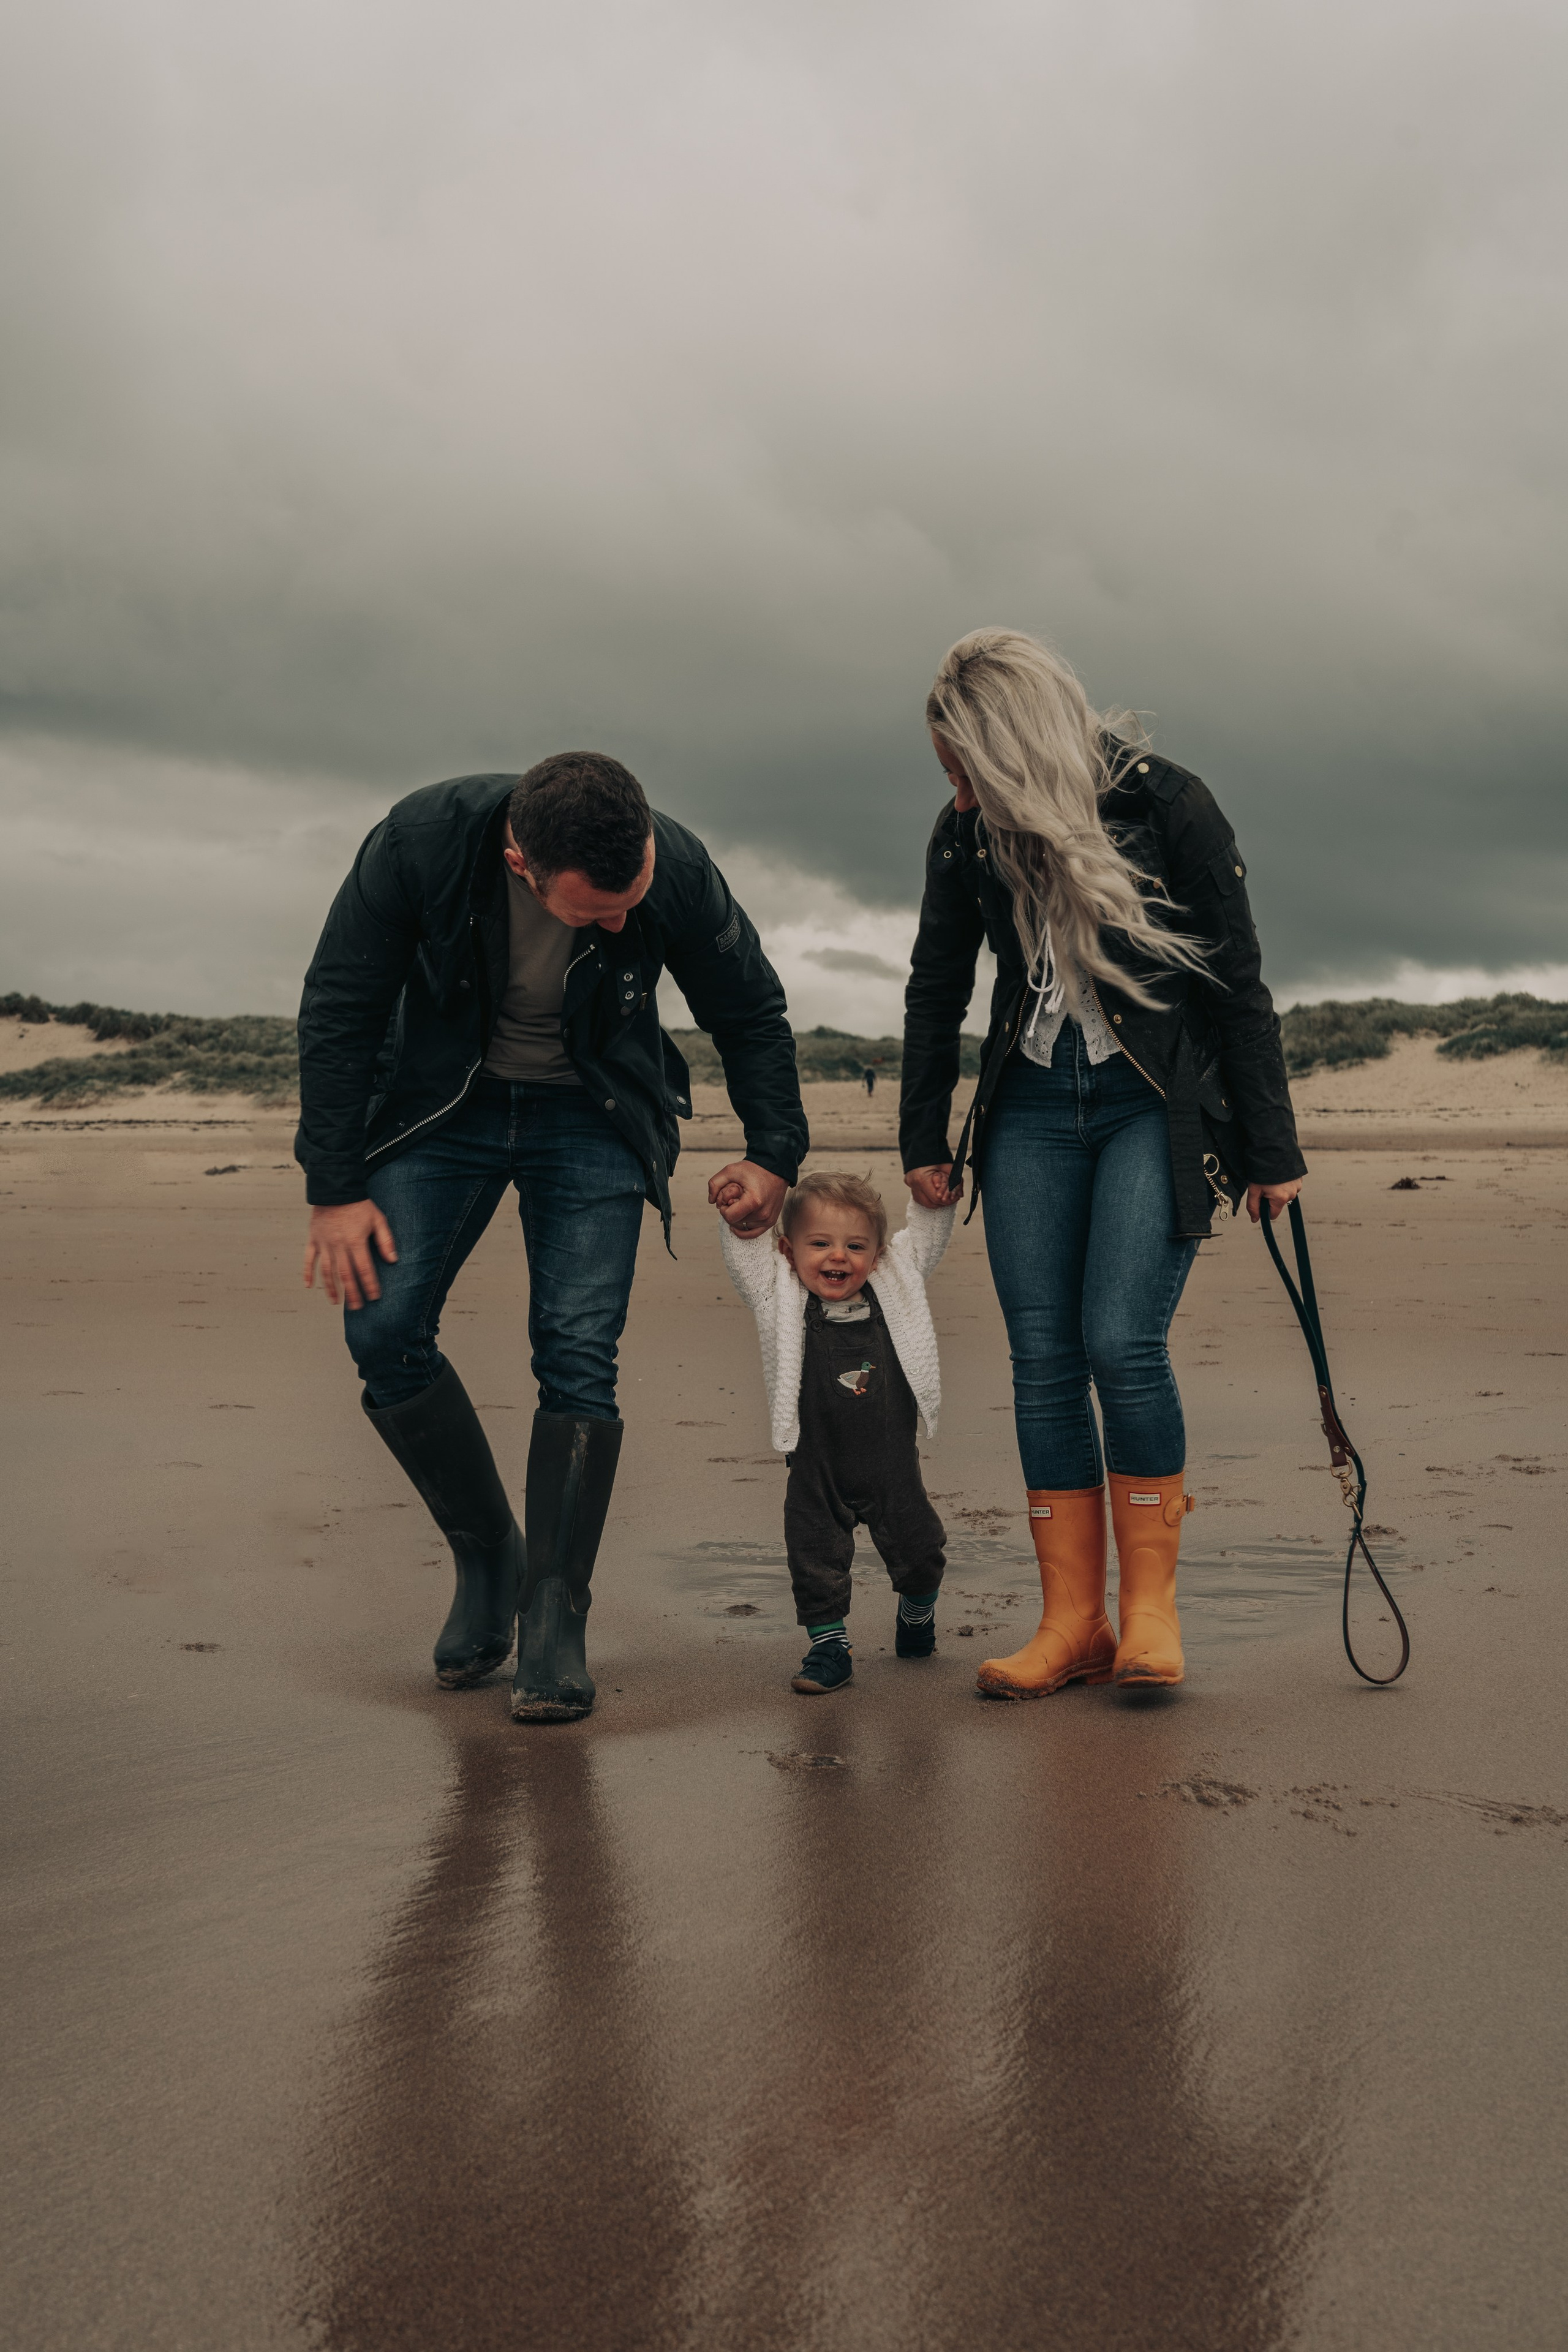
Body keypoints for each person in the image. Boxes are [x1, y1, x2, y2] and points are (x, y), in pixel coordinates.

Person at [296, 753, 807, 1722]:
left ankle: (555, 1615)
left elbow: (750, 1009)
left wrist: (775, 1151)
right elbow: (340, 1005)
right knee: (382, 1329)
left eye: (632, 900)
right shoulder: (421, 843)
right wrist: (335, 1187)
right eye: (592, 911)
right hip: (443, 1108)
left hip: (597, 1112)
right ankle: (493, 1557)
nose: (620, 922)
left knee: (579, 1354)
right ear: (519, 860)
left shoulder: (678, 870)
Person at [900, 630, 1305, 1698]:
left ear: (1012, 745)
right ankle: (1072, 1620)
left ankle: (1149, 1614)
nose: (954, 789)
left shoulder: (1168, 805)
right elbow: (935, 986)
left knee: (1120, 1343)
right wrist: (922, 1139)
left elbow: (1239, 986)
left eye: (965, 767)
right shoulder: (964, 839)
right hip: (1027, 1105)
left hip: (1150, 1104)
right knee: (1043, 1359)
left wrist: (1273, 1150)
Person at [718, 1170, 954, 1693]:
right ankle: (829, 1648)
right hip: (815, 1463)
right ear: (788, 1248)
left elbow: (924, 1246)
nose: (837, 1257)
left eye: (855, 1246)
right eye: (819, 1244)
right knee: (814, 1559)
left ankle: (917, 1617)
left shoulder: (893, 1288)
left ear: (877, 1256)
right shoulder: (778, 1295)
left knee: (921, 1552)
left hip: (891, 1461)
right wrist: (740, 1221)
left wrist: (933, 1206)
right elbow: (747, 1261)